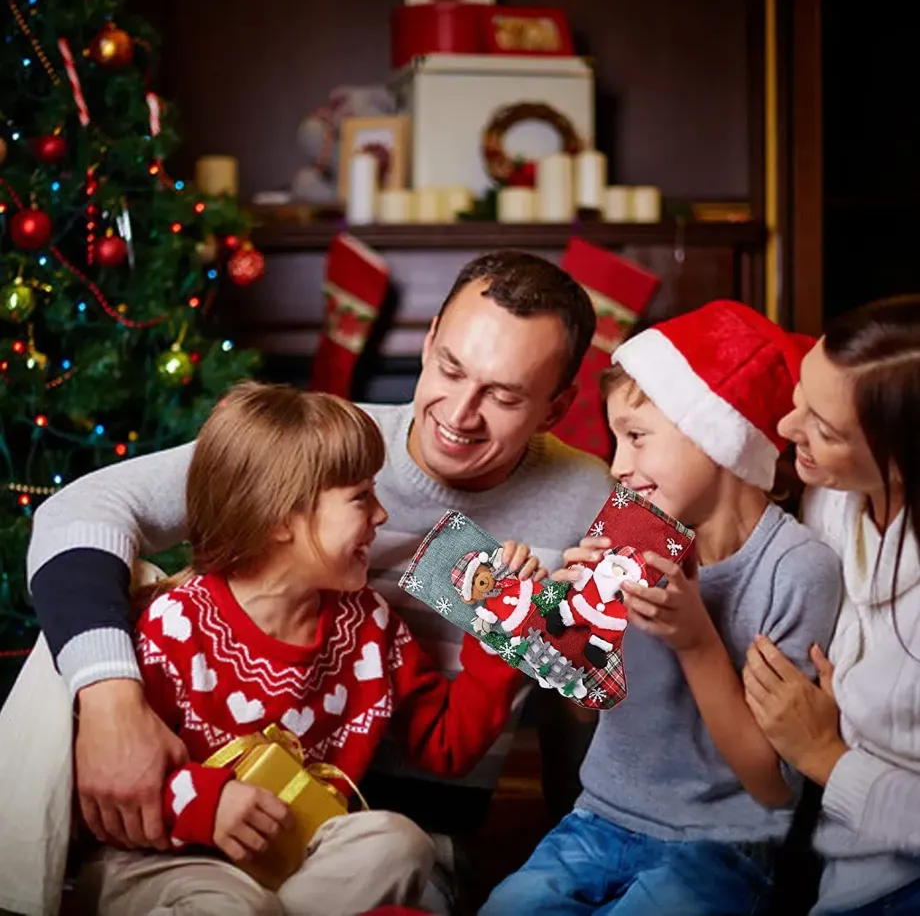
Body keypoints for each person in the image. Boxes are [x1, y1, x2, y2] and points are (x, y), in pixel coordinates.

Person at [13, 250, 611, 910]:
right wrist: (109, 700)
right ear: (431, 336)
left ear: (557, 408)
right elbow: (77, 512)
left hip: (390, 838)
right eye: (450, 368)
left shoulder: (588, 500)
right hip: (194, 842)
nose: (461, 414)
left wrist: (538, 642)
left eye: (503, 395)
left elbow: (593, 706)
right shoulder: (322, 450)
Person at [75, 381, 531, 916]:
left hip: (294, 860)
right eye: (361, 497)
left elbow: (446, 745)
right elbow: (121, 785)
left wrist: (502, 629)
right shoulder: (175, 624)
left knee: (401, 843)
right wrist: (210, 803)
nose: (382, 515)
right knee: (233, 905)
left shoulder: (368, 626)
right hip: (165, 859)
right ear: (279, 520)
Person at [481, 299, 844, 916]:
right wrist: (566, 623)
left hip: (723, 845)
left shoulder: (797, 569)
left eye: (637, 438)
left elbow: (771, 784)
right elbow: (583, 711)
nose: (619, 467)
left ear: (717, 436)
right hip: (597, 821)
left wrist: (696, 642)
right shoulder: (635, 532)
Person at [742, 295, 920, 916]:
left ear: (903, 461)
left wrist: (824, 754)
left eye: (823, 428)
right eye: (799, 399)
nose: (789, 430)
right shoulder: (834, 500)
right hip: (835, 853)